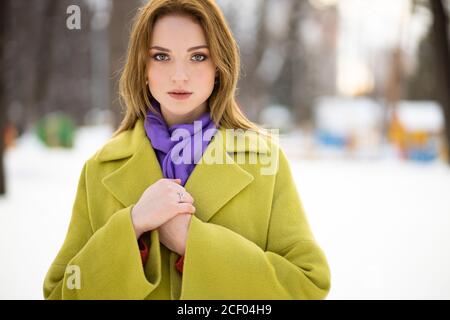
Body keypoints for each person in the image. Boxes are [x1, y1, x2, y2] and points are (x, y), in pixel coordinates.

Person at [43, 0, 330, 300]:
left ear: (219, 67)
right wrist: (132, 225)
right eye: (162, 56)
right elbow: (62, 293)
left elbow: (307, 287)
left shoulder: (264, 164)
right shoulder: (101, 169)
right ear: (143, 68)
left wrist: (196, 243)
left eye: (197, 56)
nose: (179, 75)